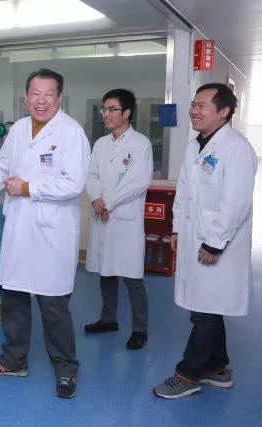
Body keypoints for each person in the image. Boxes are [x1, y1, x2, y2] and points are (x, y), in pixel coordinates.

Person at [0, 68, 90, 398]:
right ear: (25, 97)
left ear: (60, 98)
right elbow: (1, 168)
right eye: (35, 94)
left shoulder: (71, 133)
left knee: (53, 306)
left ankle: (66, 370)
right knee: (12, 297)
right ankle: (13, 360)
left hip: (52, 232)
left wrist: (28, 187)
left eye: (48, 94)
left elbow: (74, 183)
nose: (41, 100)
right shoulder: (19, 130)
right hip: (19, 228)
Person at [153, 83, 257, 399]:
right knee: (207, 307)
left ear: (223, 111)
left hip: (217, 244)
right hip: (193, 238)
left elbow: (235, 202)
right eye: (193, 104)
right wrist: (176, 230)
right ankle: (217, 366)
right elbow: (184, 193)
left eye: (202, 105)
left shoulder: (236, 148)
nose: (194, 111)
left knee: (206, 311)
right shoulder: (195, 145)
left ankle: (188, 374)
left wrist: (214, 242)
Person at [83, 89, 153, 350]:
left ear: (127, 113)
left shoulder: (141, 144)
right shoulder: (100, 144)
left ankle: (139, 329)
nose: (106, 114)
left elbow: (138, 182)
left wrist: (108, 203)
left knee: (132, 277)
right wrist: (95, 198)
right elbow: (91, 175)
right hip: (103, 215)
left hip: (124, 218)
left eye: (112, 109)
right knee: (106, 271)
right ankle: (108, 319)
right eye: (104, 109)